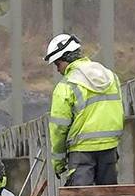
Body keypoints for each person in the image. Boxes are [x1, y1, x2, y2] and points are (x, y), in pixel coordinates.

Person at [44, 34, 124, 186]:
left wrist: (58, 161)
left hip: (81, 152)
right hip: (110, 148)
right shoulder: (110, 76)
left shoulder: (66, 85)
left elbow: (58, 129)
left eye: (57, 64)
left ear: (65, 59)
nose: (58, 70)